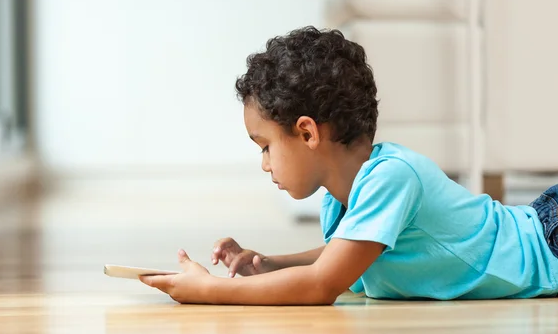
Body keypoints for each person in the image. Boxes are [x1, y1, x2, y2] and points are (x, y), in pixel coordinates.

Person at [140, 26, 558, 304]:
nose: (265, 165)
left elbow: (324, 283)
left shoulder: (393, 176)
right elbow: (348, 256)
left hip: (547, 242)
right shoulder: (338, 204)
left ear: (307, 133)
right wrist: (269, 264)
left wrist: (209, 290)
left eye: (265, 146)